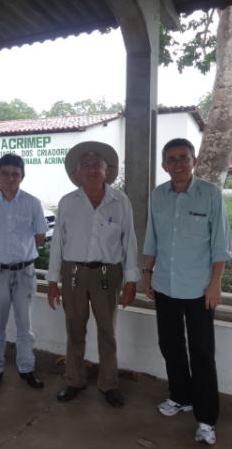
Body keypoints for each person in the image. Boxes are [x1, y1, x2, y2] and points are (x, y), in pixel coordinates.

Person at [143, 138, 231, 445]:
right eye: (171, 159)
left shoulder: (210, 194)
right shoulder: (158, 195)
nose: (178, 163)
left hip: (199, 289)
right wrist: (147, 273)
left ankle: (206, 418)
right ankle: (180, 396)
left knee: (202, 353)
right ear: (164, 165)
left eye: (183, 157)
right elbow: (151, 238)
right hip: (165, 284)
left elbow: (220, 244)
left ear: (193, 161)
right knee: (170, 344)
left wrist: (215, 283)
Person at [47, 141, 139, 408]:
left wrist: (131, 279)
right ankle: (74, 380)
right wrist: (52, 281)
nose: (91, 170)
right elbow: (58, 244)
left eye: (96, 165)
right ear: (77, 172)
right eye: (85, 166)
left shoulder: (120, 201)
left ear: (106, 170)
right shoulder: (68, 202)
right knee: (75, 329)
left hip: (107, 274)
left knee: (107, 332)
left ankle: (108, 384)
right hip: (73, 272)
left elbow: (129, 241)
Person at [0, 153, 48, 393]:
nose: (10, 178)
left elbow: (40, 236)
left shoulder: (32, 203)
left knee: (25, 326)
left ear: (22, 176)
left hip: (25, 273)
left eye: (16, 174)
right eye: (5, 173)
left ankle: (26, 368)